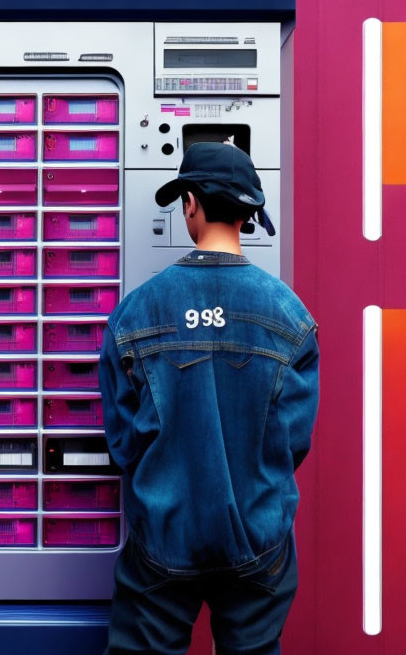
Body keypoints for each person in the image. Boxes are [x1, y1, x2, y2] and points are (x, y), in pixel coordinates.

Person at [99, 142, 319, 655]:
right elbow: (293, 442)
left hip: (163, 535)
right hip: (257, 539)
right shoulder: (291, 318)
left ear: (190, 204)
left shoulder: (135, 314)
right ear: (247, 216)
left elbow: (124, 444)